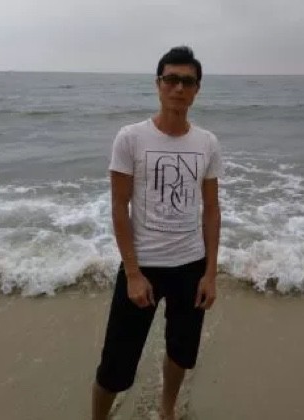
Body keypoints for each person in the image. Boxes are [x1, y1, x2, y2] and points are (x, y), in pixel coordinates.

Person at [92, 46, 222, 420]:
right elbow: (119, 207)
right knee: (116, 365)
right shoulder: (131, 138)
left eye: (188, 81)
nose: (179, 87)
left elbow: (211, 209)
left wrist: (210, 273)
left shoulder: (207, 143)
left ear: (197, 89)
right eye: (171, 79)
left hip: (190, 265)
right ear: (158, 84)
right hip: (143, 266)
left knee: (181, 353)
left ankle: (167, 410)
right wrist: (133, 273)